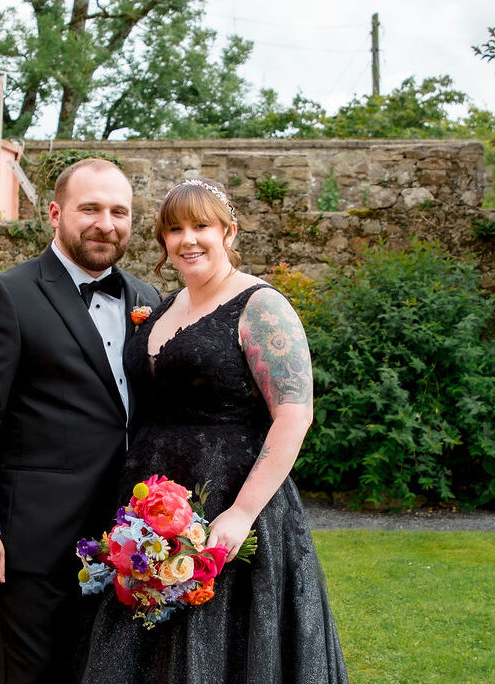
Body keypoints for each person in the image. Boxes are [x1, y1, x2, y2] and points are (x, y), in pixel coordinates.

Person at [81, 178, 348, 682]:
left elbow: (295, 413)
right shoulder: (161, 309)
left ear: (228, 231)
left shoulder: (260, 306)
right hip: (148, 506)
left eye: (201, 225)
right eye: (174, 229)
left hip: (229, 499)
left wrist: (241, 514)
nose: (188, 240)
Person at [0, 158, 161, 683]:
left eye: (119, 212)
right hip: (38, 542)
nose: (105, 224)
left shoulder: (149, 299)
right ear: (55, 214)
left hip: (132, 540)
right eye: (90, 209)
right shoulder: (8, 294)